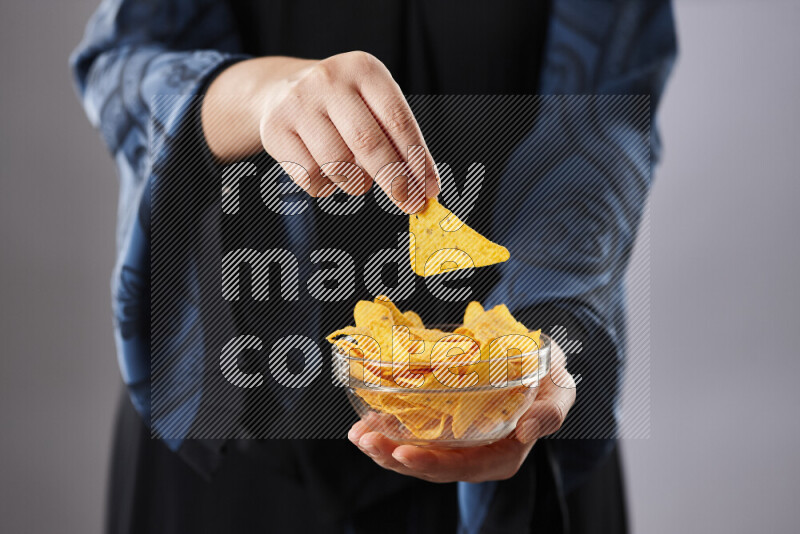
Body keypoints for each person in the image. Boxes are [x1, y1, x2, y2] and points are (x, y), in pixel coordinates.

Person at [71, 0, 676, 532]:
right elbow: (125, 61)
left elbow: (606, 116)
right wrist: (264, 95)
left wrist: (533, 344)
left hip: (522, 428)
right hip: (236, 438)